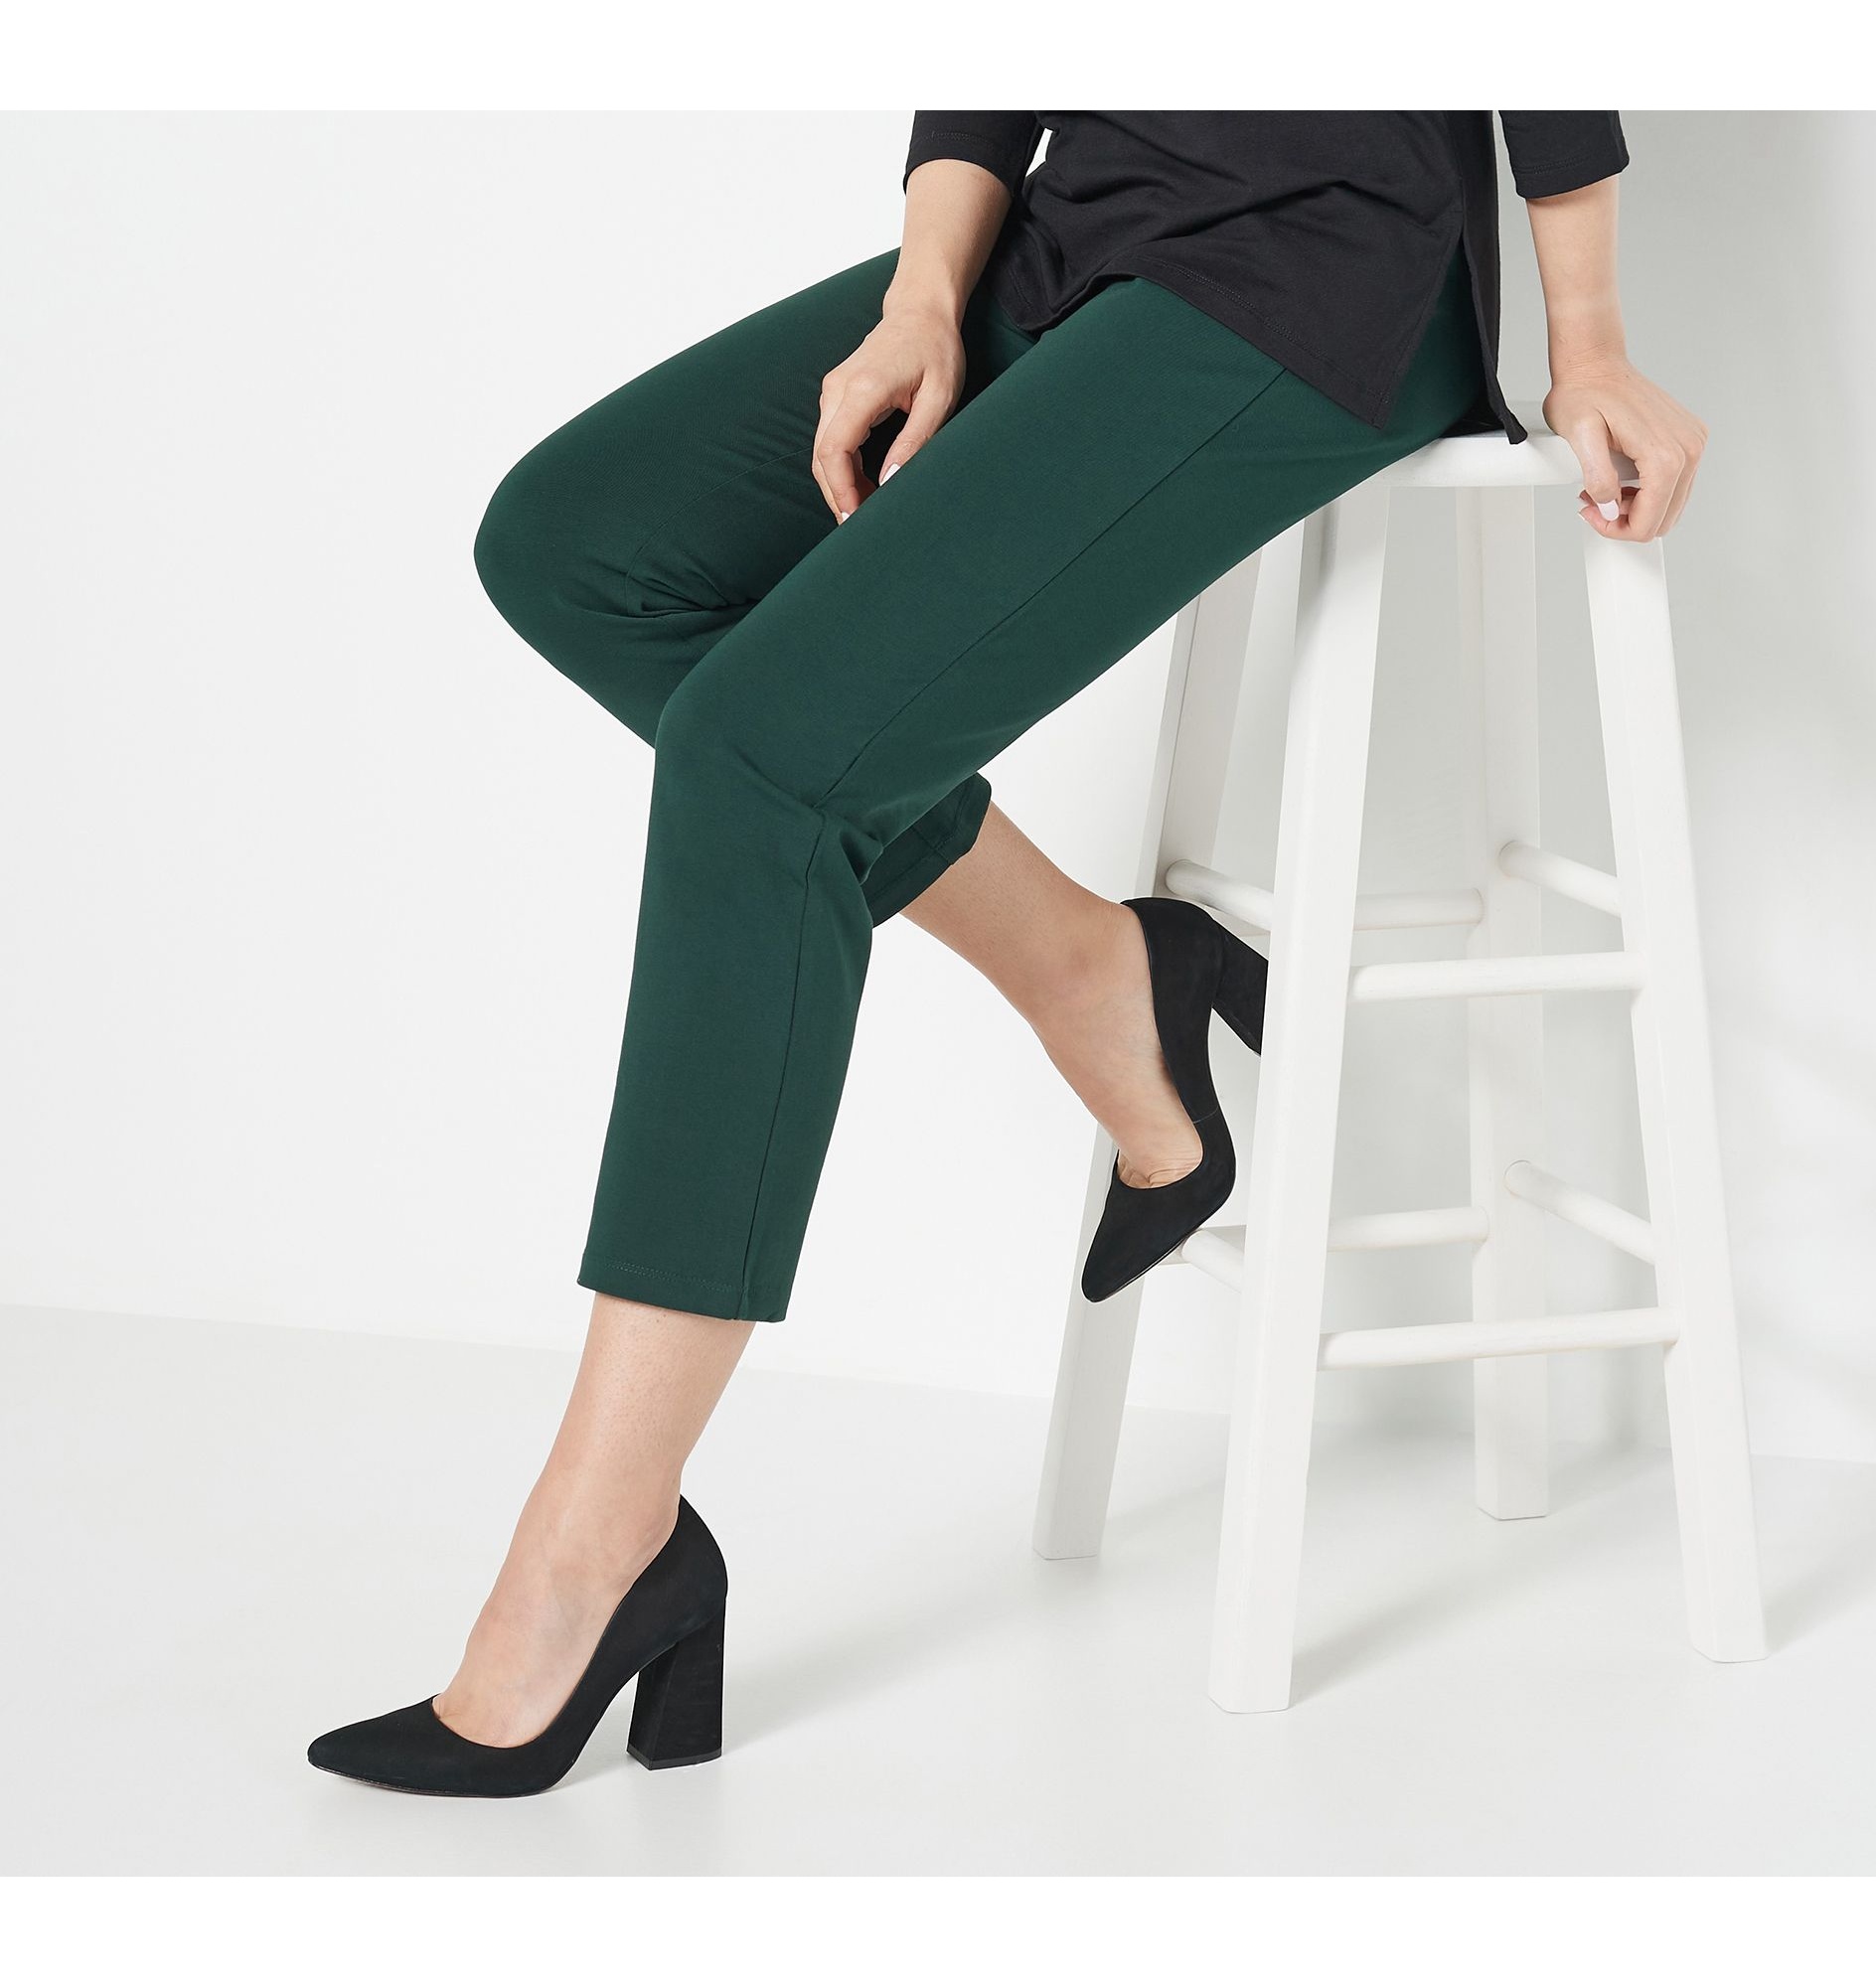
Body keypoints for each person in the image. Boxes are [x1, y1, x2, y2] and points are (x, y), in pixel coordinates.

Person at [308, 111, 1706, 1797]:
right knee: (581, 544)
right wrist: (926, 287)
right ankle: (1097, 972)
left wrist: (1587, 337)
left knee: (760, 757)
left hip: (1323, 267)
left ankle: (598, 1545)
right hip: (1083, 221)